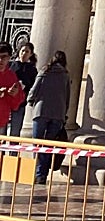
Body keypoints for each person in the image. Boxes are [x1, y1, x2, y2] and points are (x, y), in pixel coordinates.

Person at [26, 50, 70, 184]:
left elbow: (34, 89)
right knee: (49, 145)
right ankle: (42, 175)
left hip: (41, 111)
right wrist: (64, 113)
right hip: (58, 114)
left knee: (37, 144)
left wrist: (30, 100)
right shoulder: (65, 76)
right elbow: (67, 97)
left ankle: (37, 172)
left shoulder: (44, 71)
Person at [9, 42, 37, 137]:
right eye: (22, 51)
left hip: (20, 103)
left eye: (27, 51)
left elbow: (33, 85)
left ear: (31, 54)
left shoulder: (32, 69)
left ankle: (13, 151)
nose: (24, 53)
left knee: (15, 131)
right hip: (7, 101)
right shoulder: (11, 65)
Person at [0, 42, 23, 135]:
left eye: (4, 57)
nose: (0, 60)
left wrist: (14, 94)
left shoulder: (11, 76)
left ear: (9, 58)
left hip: (1, 121)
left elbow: (16, 104)